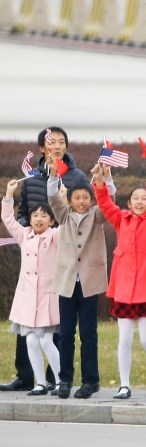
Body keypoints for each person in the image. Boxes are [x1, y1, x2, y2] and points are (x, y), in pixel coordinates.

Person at [1, 126, 89, 392]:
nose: (57, 146)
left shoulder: (75, 177)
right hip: (34, 249)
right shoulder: (32, 178)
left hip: (63, 253)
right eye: (52, 142)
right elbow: (23, 212)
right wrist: (28, 231)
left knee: (55, 324)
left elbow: (79, 212)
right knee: (28, 322)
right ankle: (26, 376)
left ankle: (56, 377)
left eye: (62, 142)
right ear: (42, 148)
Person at [95, 160, 146, 400]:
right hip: (124, 289)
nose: (140, 201)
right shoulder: (121, 219)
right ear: (129, 204)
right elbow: (105, 203)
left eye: (144, 198)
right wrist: (99, 180)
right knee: (124, 339)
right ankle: (124, 385)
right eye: (135, 198)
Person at [47, 165, 111, 399]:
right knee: (65, 334)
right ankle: (64, 379)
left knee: (88, 334)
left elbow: (108, 203)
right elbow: (53, 198)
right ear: (71, 200)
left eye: (86, 197)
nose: (82, 201)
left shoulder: (97, 214)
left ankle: (91, 381)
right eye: (77, 197)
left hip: (89, 283)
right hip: (67, 283)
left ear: (92, 199)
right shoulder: (64, 215)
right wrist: (54, 176)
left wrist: (105, 178)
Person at [1, 180, 60, 396]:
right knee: (31, 340)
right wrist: (9, 194)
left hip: (47, 297)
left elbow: (67, 224)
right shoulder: (24, 234)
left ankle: (61, 380)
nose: (38, 218)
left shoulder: (55, 236)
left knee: (45, 339)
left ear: (51, 220)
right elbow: (8, 218)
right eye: (35, 215)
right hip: (27, 298)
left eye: (44, 215)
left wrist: (61, 200)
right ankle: (41, 383)